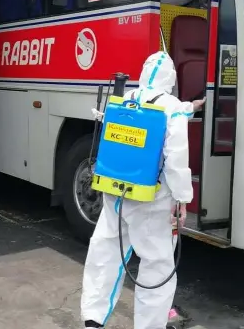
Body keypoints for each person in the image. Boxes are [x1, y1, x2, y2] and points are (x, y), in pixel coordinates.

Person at [81, 51, 203, 329]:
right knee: (156, 267)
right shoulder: (171, 107)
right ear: (170, 79)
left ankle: (92, 320)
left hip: (115, 192)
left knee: (106, 254)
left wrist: (192, 105)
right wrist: (183, 199)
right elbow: (176, 158)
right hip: (153, 201)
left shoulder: (125, 99)